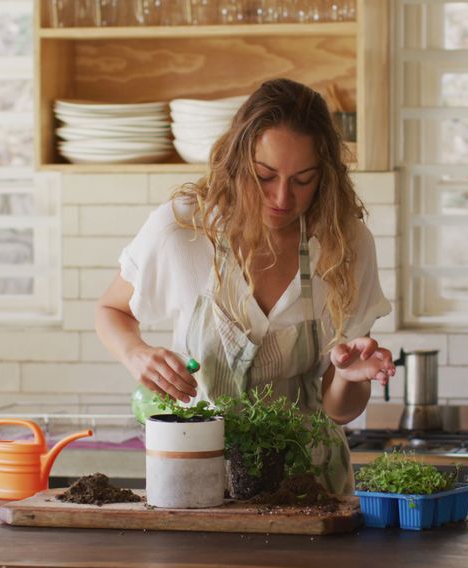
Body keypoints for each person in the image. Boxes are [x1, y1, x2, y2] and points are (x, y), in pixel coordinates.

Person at [95, 78, 394, 494]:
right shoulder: (184, 229)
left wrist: (349, 376)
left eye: (303, 180)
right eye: (264, 175)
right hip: (197, 478)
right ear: (237, 161)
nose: (282, 198)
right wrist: (135, 353)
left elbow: (339, 410)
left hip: (310, 487)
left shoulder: (346, 245)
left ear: (325, 176)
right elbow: (112, 310)